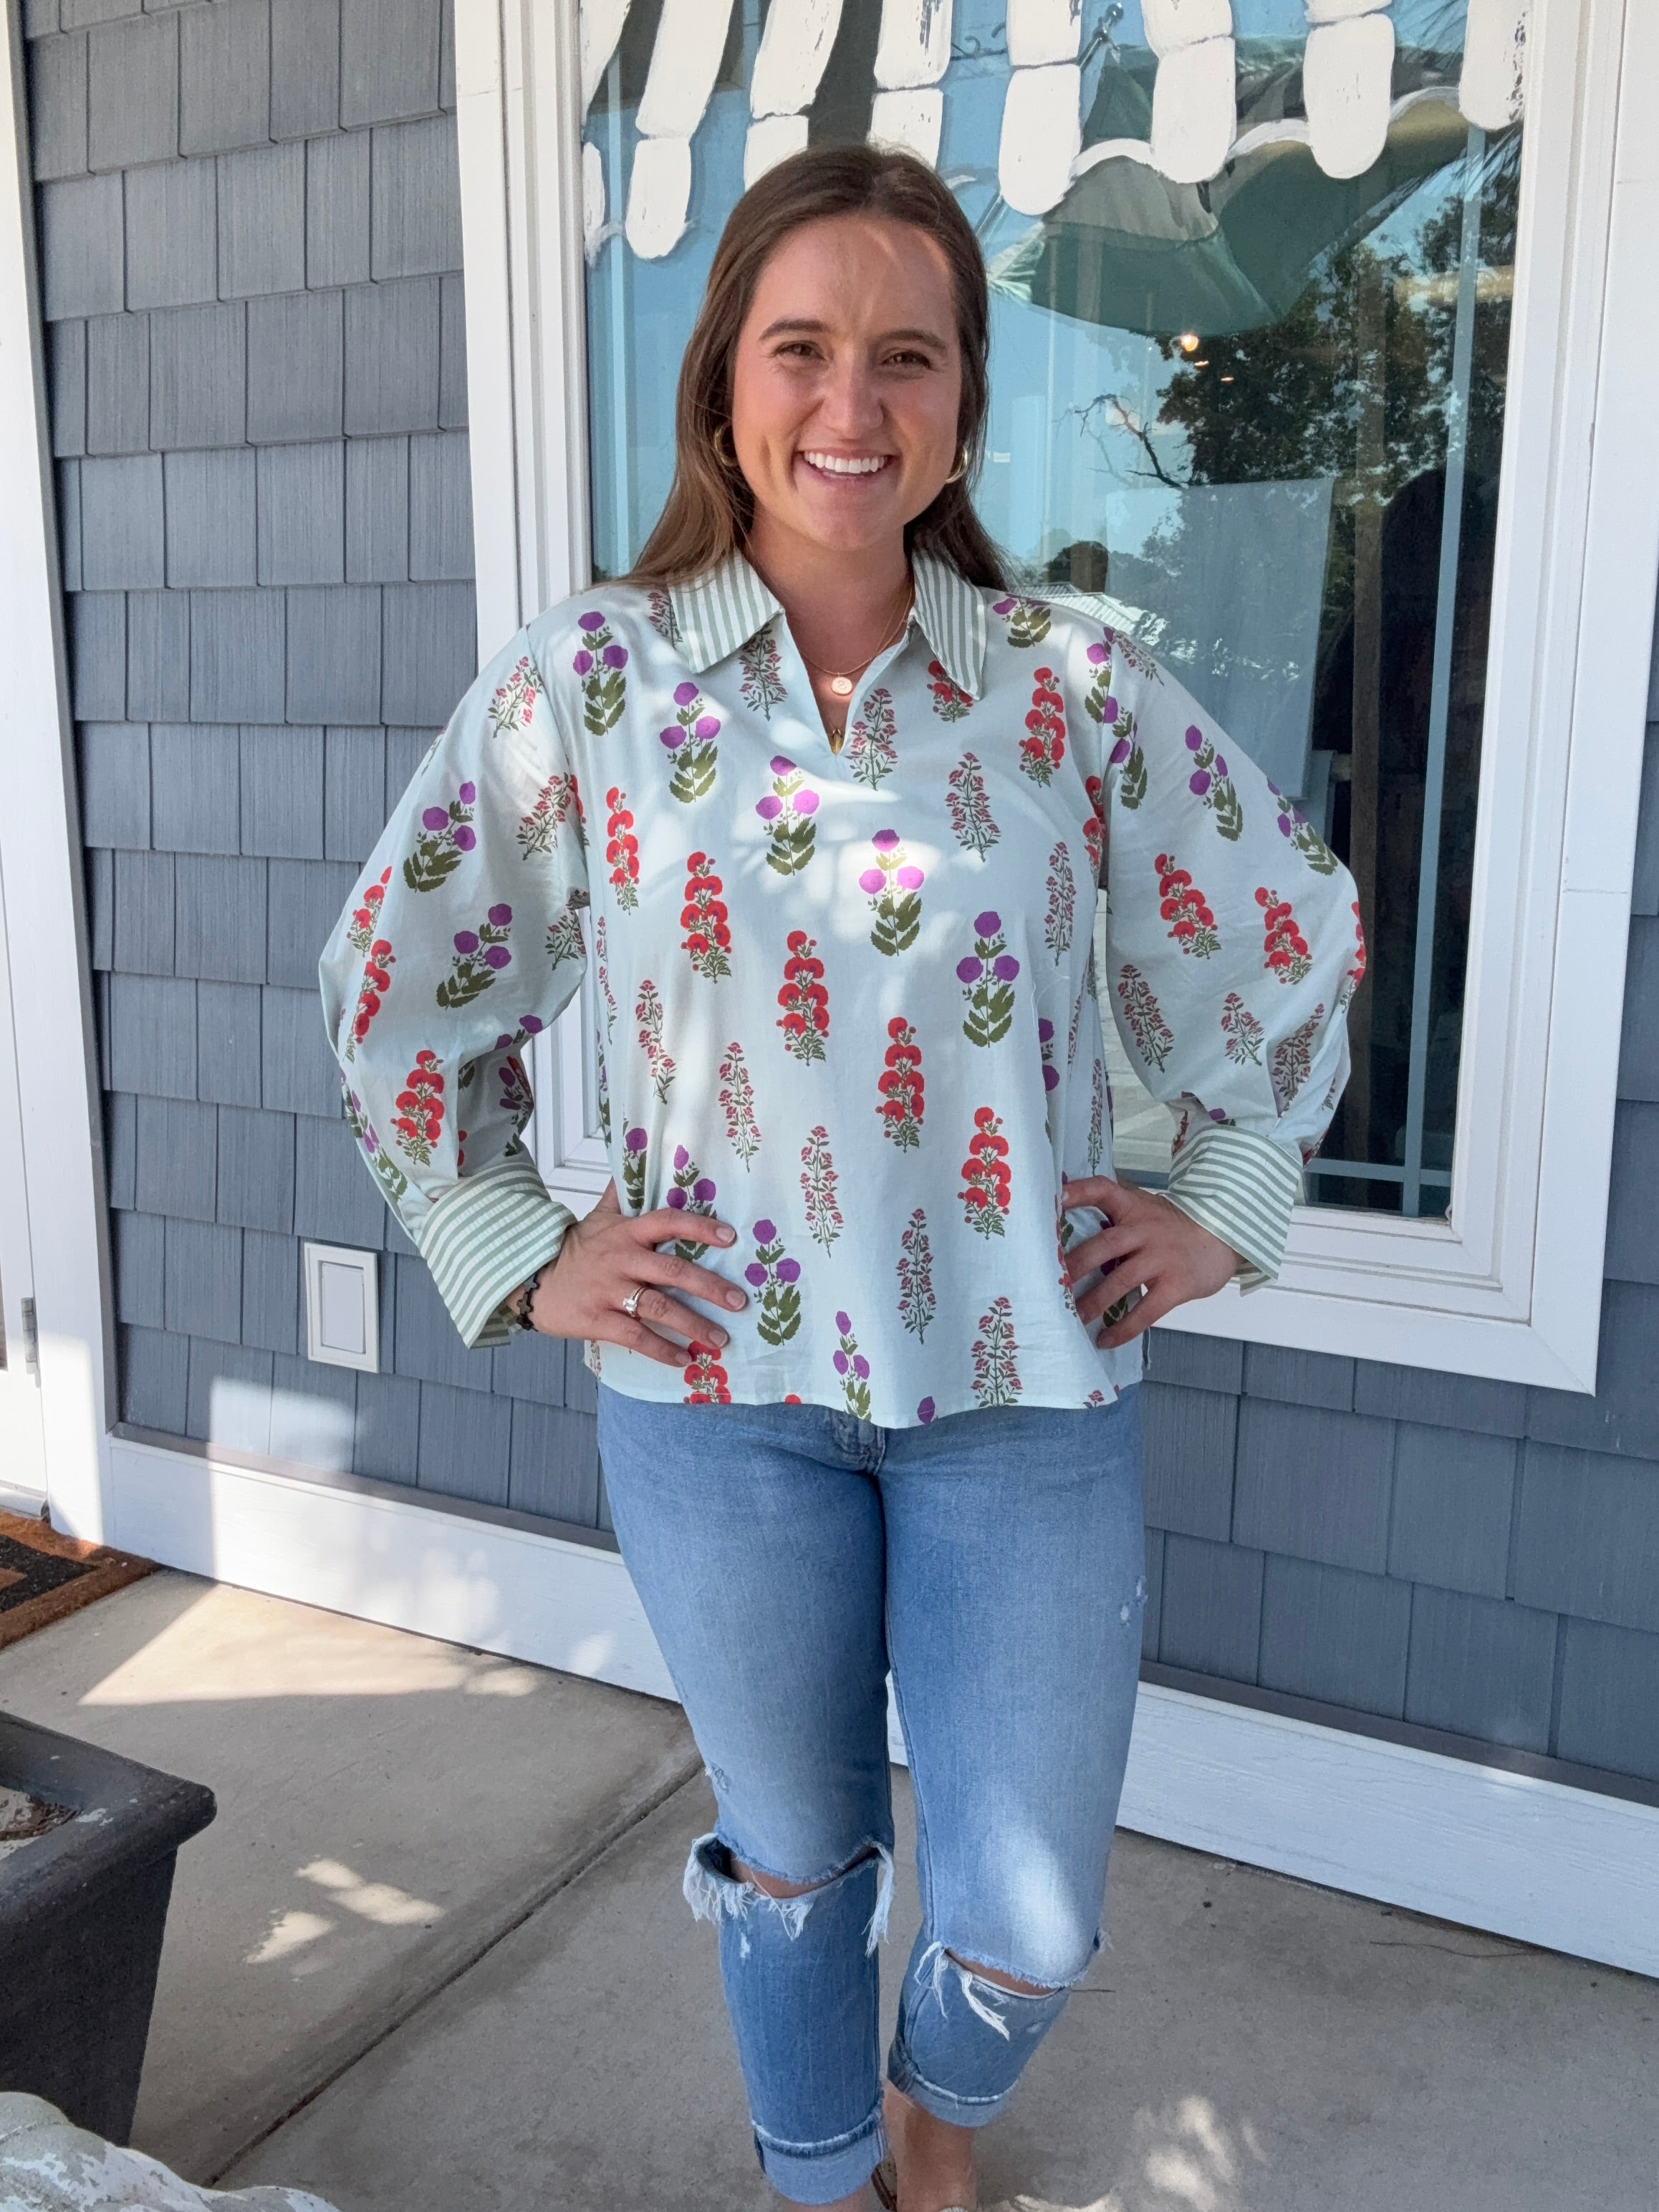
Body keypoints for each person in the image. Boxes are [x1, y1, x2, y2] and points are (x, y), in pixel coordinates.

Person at [319, 145, 1361, 2212]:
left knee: (1029, 1913)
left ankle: (930, 2111)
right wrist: (516, 1246)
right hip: (717, 1408)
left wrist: (1225, 1192)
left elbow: (1278, 925)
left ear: (964, 397)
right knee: (796, 1867)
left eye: (907, 354)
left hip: (1022, 1391)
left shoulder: (1066, 690)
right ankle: (819, 2177)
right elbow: (399, 978)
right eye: (800, 349)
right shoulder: (586, 689)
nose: (849, 406)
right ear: (723, 386)